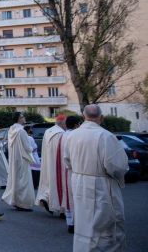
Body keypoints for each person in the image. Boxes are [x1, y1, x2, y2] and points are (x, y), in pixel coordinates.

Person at [64, 105, 127, 251]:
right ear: (101, 118)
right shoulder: (106, 136)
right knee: (105, 226)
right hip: (101, 184)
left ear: (83, 117)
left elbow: (67, 160)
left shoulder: (72, 135)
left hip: (79, 183)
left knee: (83, 222)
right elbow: (117, 167)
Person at [1, 112, 35, 212]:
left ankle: (16, 201)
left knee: (16, 179)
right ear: (19, 119)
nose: (24, 118)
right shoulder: (22, 131)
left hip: (14, 158)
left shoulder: (11, 130)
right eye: (22, 116)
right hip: (22, 158)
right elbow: (28, 147)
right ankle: (23, 203)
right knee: (24, 181)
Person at [35, 115, 66, 214]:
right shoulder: (61, 133)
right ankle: (59, 207)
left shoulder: (48, 131)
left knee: (49, 181)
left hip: (48, 160)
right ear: (64, 123)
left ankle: (45, 197)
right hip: (57, 162)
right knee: (59, 183)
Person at [58, 116, 81, 234]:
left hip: (64, 169)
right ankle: (76, 223)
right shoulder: (76, 136)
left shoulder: (63, 135)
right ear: (76, 125)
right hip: (74, 170)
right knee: (75, 197)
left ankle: (70, 223)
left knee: (68, 197)